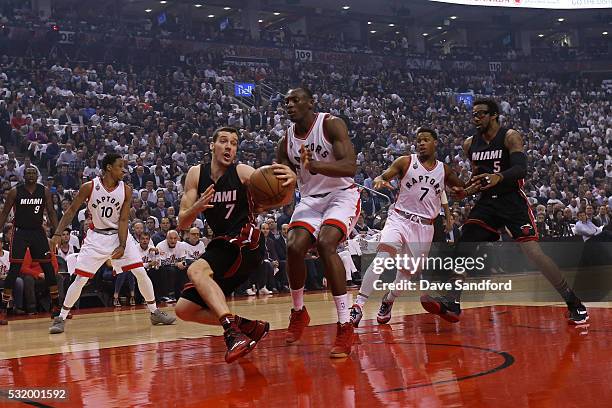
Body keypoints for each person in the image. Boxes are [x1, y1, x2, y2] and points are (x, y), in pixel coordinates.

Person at [420, 99, 589, 325]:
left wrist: (499, 177)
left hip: (511, 201)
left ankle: (574, 303)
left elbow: (521, 169)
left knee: (534, 254)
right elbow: (478, 178)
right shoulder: (470, 144)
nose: (476, 118)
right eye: (474, 114)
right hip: (487, 203)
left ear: (494, 116)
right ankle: (453, 302)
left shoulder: (510, 136)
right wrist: (466, 191)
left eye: (481, 114)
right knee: (465, 244)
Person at [176, 126, 296, 363]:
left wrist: (290, 184)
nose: (229, 146)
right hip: (221, 243)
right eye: (223, 141)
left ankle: (232, 334)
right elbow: (182, 222)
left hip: (246, 239)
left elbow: (280, 196)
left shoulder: (242, 172)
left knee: (195, 269)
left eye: (234, 143)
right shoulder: (195, 175)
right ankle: (248, 327)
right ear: (212, 145)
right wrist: (197, 207)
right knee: (184, 309)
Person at [350, 128, 467, 327]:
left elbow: (461, 188)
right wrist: (380, 180)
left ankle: (389, 300)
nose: (421, 143)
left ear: (435, 143)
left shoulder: (444, 170)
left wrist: (462, 191)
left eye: (426, 140)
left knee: (405, 275)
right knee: (382, 257)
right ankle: (358, 305)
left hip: (424, 227)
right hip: (399, 219)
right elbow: (385, 176)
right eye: (418, 140)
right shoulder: (405, 161)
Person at [49, 153, 176, 334]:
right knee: (81, 279)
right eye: (119, 166)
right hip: (96, 237)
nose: (123, 170)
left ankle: (154, 312)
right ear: (108, 167)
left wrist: (123, 245)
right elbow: (70, 211)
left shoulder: (126, 189)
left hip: (119, 235)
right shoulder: (90, 187)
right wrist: (57, 233)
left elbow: (124, 220)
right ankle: (61, 317)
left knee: (140, 271)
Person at [277, 87, 359, 358]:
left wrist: (316, 167)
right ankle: (299, 312)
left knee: (326, 244)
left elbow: (350, 166)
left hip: (342, 194)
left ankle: (345, 325)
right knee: (293, 246)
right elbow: (281, 179)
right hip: (310, 198)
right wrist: (280, 185)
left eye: (295, 100)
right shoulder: (286, 140)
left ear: (310, 103)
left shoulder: (330, 124)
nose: (289, 105)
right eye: (286, 101)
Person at [0, 167, 60, 325]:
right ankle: (3, 310)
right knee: (14, 270)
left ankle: (56, 308)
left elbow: (52, 212)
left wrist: (58, 232)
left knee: (48, 268)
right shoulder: (15, 192)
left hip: (37, 232)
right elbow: (5, 212)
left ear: (37, 175)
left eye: (34, 173)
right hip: (20, 232)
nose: (31, 175)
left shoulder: (44, 191)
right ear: (23, 175)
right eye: (28, 173)